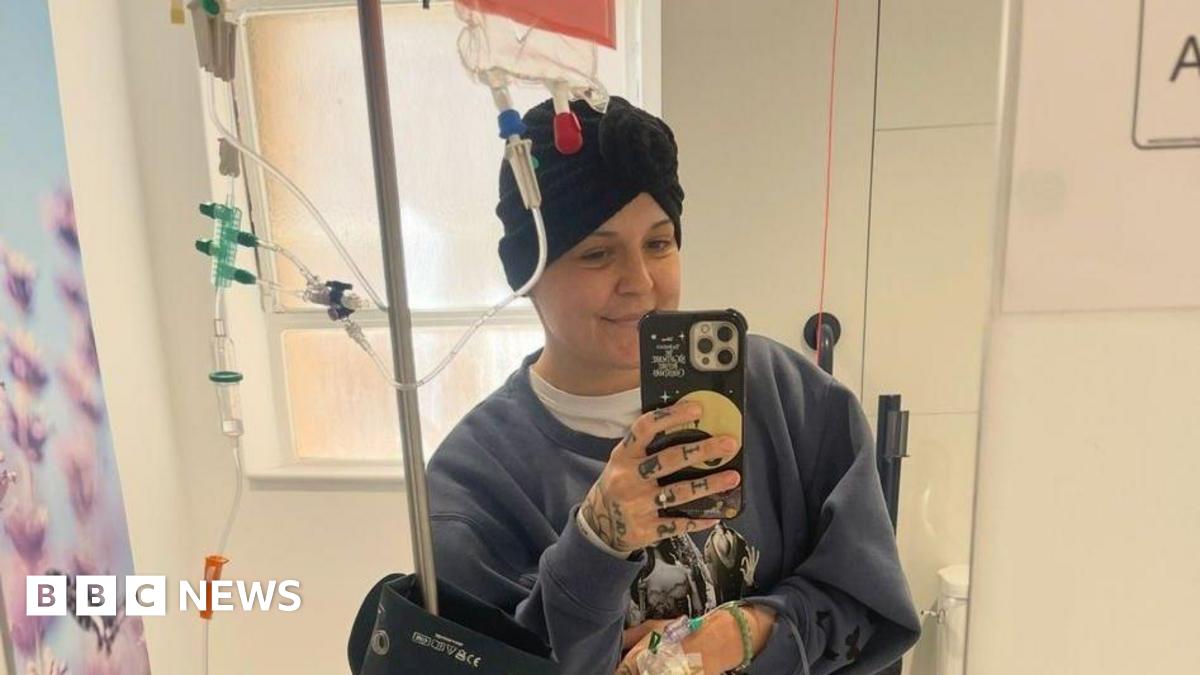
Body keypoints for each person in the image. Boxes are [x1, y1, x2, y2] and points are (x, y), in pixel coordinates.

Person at [426, 96, 920, 675]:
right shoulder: (475, 483)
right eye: (597, 253)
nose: (639, 282)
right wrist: (596, 544)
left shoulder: (791, 400)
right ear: (527, 274)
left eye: (658, 243)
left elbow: (869, 601)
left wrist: (748, 631)